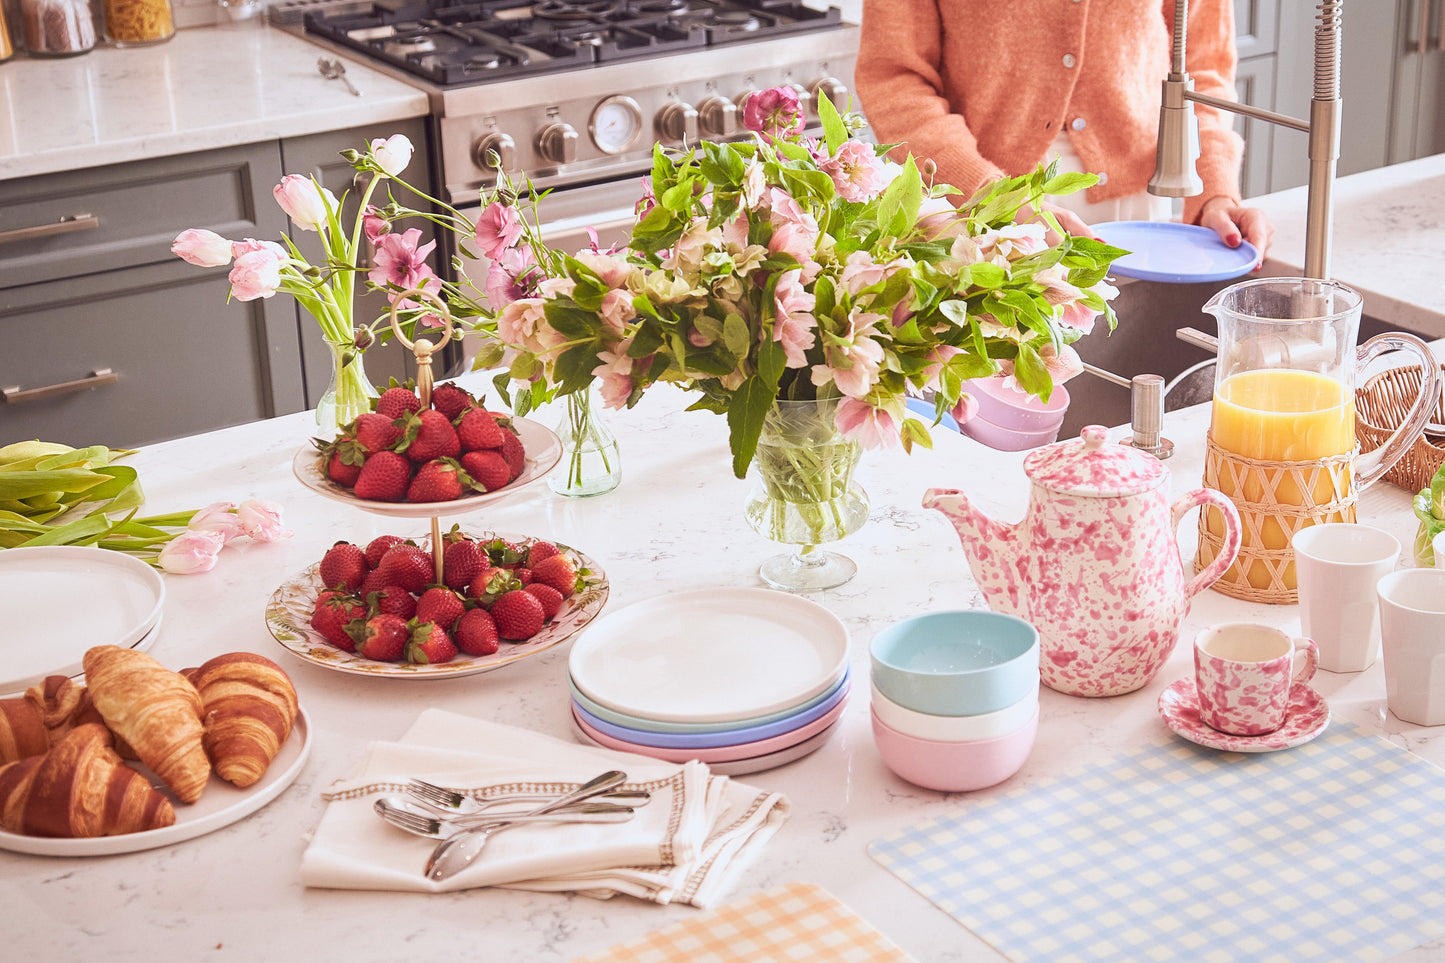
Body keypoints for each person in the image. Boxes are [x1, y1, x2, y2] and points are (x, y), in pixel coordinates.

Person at [853, 0, 1273, 260]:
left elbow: (1203, 66)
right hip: (974, 201)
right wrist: (990, 197)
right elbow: (895, 79)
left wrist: (1215, 190)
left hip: (1138, 201)